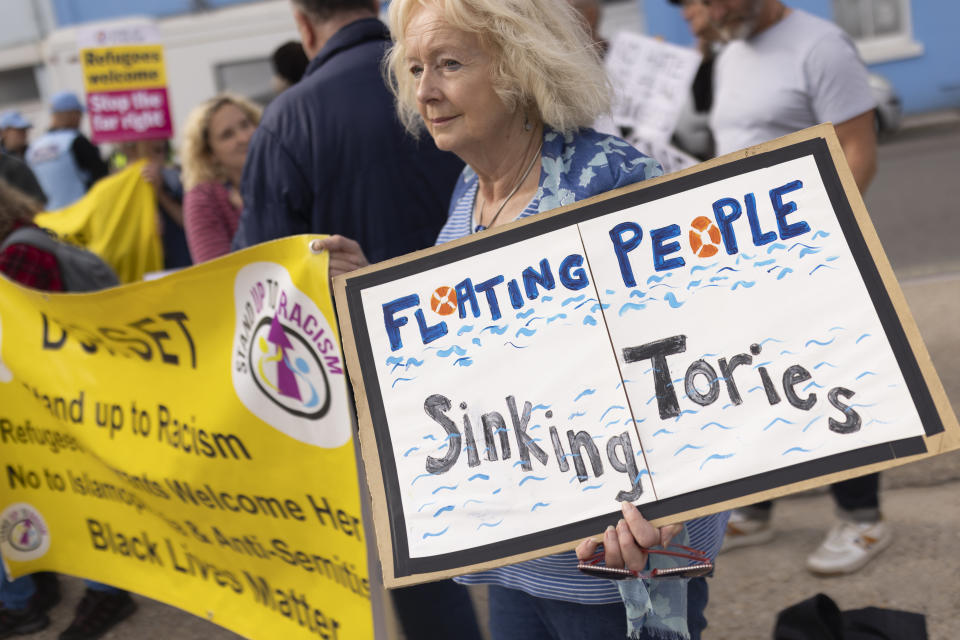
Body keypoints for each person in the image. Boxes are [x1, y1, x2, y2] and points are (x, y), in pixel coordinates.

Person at [326, 0, 730, 637]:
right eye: (414, 69)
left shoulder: (609, 179)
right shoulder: (470, 190)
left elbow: (698, 363)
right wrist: (369, 293)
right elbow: (463, 356)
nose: (425, 91)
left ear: (521, 65)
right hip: (519, 559)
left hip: (618, 565)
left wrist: (669, 510)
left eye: (448, 64)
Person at [684, 0, 885, 575]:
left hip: (806, 254)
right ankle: (758, 506)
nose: (699, 12)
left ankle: (864, 518)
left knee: (829, 379)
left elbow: (858, 154)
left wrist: (811, 247)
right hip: (741, 259)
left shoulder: (820, 45)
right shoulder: (730, 51)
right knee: (755, 377)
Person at [0, 181, 137, 640]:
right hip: (68, 393)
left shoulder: (17, 256)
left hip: (56, 399)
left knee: (79, 496)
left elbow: (19, 340)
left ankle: (102, 591)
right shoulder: (27, 237)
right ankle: (44, 583)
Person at [231, 0, 464, 265]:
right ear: (376, 6)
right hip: (479, 288)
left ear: (304, 26)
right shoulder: (449, 76)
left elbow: (266, 265)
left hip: (360, 304)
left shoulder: (284, 122)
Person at [181, 94, 261, 263]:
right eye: (227, 135)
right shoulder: (203, 198)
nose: (244, 138)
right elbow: (217, 272)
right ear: (209, 154)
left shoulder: (284, 174)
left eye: (245, 124)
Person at [25, 91, 109, 210]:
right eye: (79, 114)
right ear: (69, 114)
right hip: (81, 213)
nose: (80, 119)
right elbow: (101, 177)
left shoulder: (33, 148)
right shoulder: (76, 141)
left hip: (50, 218)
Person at [119, 139, 192, 270]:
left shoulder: (177, 180)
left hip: (180, 264)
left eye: (158, 151)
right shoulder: (121, 190)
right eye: (141, 153)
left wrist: (159, 194)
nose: (149, 161)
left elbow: (189, 222)